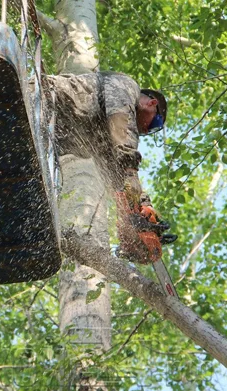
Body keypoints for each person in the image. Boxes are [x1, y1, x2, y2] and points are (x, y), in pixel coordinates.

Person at [44, 71, 176, 263]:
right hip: (43, 98)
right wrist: (131, 173)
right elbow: (122, 128)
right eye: (155, 124)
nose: (147, 130)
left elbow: (117, 180)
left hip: (40, 134)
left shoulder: (103, 135)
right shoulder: (126, 86)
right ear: (151, 103)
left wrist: (142, 211)